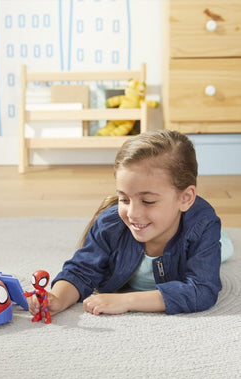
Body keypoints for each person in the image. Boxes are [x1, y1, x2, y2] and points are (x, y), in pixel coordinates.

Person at [26, 129, 233, 317]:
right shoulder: (111, 224)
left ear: (185, 198)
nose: (133, 213)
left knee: (224, 250)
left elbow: (202, 290)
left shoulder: (202, 225)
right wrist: (57, 298)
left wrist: (126, 300)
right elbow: (81, 270)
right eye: (124, 199)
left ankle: (221, 239)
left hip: (196, 232)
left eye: (148, 201)